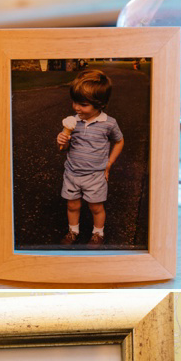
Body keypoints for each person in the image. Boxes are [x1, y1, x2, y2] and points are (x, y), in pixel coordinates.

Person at [55, 69, 125, 247]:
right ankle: (73, 231)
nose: (77, 107)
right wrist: (62, 140)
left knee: (96, 207)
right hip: (72, 173)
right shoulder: (73, 121)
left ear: (100, 104)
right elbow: (63, 148)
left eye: (83, 104)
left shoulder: (109, 124)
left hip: (95, 176)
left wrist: (108, 164)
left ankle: (97, 233)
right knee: (72, 205)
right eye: (75, 102)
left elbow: (119, 141)